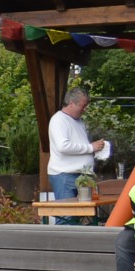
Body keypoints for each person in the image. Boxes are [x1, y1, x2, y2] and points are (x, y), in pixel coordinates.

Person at [47, 88, 104, 225]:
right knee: (66, 218)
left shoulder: (78, 122)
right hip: (64, 176)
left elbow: (77, 146)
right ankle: (62, 246)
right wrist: (91, 147)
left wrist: (96, 151)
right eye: (83, 106)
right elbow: (63, 146)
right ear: (71, 103)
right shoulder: (59, 120)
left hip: (80, 176)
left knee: (77, 217)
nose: (84, 109)